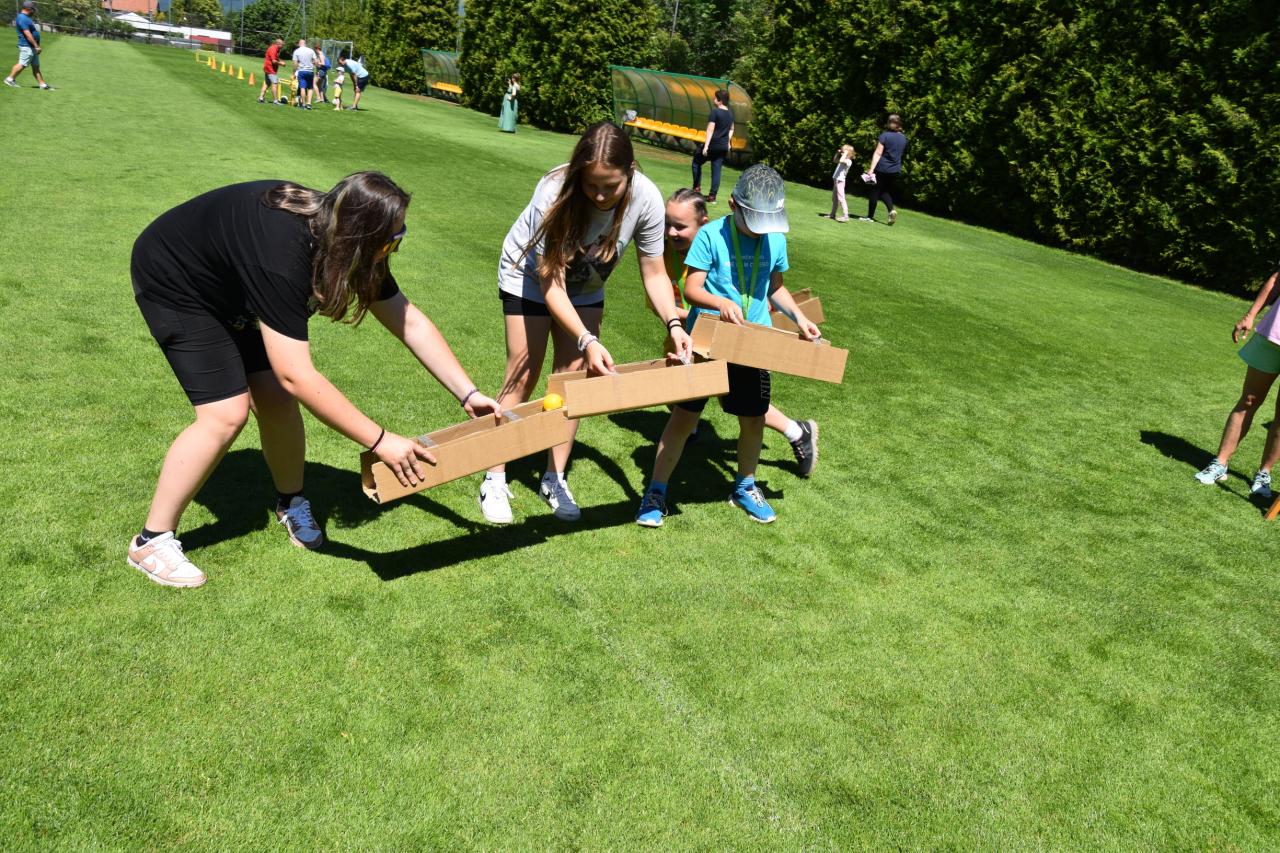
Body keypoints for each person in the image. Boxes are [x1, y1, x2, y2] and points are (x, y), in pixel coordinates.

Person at [127, 172, 501, 588]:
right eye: (390, 242)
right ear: (361, 236)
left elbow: (408, 321)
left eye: (399, 239)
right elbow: (297, 375)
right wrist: (380, 441)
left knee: (274, 399)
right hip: (178, 279)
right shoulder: (283, 257)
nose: (393, 250)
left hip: (236, 281)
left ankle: (291, 501)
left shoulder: (346, 237)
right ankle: (150, 541)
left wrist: (467, 392)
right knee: (225, 414)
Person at [483, 121, 692, 525]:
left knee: (572, 379)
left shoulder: (647, 198)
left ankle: (554, 477)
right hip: (528, 277)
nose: (599, 195)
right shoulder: (554, 191)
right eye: (590, 184)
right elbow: (551, 284)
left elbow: (654, 273)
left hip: (588, 284)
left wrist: (673, 324)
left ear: (630, 171)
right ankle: (495, 476)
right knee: (523, 373)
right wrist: (586, 339)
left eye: (610, 186)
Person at [635, 164, 820, 528]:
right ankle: (656, 492)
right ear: (734, 205)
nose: (761, 229)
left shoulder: (775, 239)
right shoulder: (709, 236)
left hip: (753, 343)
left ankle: (745, 487)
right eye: (754, 221)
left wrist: (800, 319)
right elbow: (692, 289)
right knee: (684, 418)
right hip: (706, 340)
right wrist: (719, 303)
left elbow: (775, 287)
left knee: (752, 419)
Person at [1194, 269, 1280, 498]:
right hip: (1272, 337)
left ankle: (1264, 473)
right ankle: (1220, 463)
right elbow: (1276, 279)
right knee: (1249, 400)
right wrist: (1250, 315)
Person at [860, 114, 907, 224]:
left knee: (874, 191)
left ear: (889, 123)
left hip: (882, 168)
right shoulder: (903, 138)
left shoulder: (885, 136)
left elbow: (878, 153)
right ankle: (891, 210)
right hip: (895, 170)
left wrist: (871, 169)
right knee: (884, 191)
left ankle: (870, 217)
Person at [691, 89, 734, 203]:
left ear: (720, 101)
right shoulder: (730, 114)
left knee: (696, 162)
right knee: (716, 171)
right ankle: (712, 197)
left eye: (715, 98)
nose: (714, 99)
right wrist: (728, 142)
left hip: (713, 145)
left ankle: (696, 189)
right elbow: (731, 129)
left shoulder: (715, 112)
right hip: (723, 147)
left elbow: (710, 130)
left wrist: (706, 146)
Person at [4, 2, 52, 90]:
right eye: (33, 10)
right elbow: (27, 34)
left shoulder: (26, 18)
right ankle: (9, 79)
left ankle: (42, 84)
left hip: (31, 46)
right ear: (29, 9)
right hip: (27, 45)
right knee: (22, 64)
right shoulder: (22, 18)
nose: (34, 12)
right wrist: (36, 46)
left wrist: (36, 46)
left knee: (36, 66)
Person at [830, 144, 855, 222]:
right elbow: (835, 160)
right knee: (834, 198)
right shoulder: (843, 159)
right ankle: (832, 214)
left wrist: (845, 153)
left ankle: (845, 215)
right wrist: (838, 153)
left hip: (840, 181)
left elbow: (841, 160)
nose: (842, 152)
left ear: (848, 153)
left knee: (841, 198)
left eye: (843, 151)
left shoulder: (848, 161)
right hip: (836, 179)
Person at [291, 38, 316, 109]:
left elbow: (295, 64)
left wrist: (293, 73)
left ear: (299, 44)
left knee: (302, 87)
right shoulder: (311, 50)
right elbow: (315, 61)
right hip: (310, 71)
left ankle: (304, 104)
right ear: (305, 44)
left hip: (301, 71)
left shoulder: (296, 51)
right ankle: (309, 104)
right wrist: (313, 65)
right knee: (310, 88)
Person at [257, 37, 284, 105]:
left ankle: (261, 98)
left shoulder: (275, 49)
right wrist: (281, 64)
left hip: (268, 68)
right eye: (282, 45)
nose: (282, 46)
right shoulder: (273, 49)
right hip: (270, 69)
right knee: (275, 84)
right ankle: (275, 101)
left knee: (267, 83)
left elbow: (275, 58)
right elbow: (274, 61)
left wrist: (279, 61)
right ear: (278, 44)